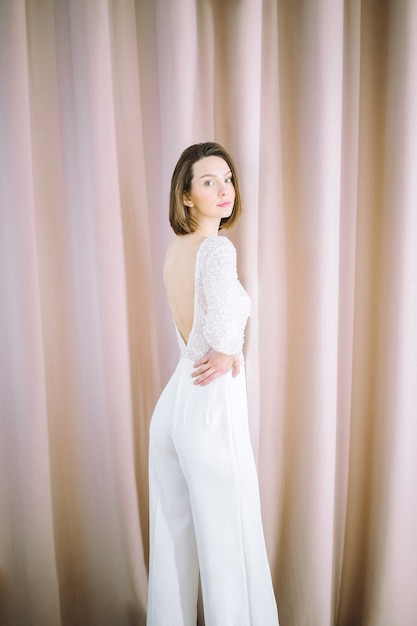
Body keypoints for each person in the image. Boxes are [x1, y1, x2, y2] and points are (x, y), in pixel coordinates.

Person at [147, 142, 279, 625]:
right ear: (186, 196)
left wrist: (229, 346)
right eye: (209, 182)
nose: (224, 190)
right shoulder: (217, 248)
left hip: (176, 401)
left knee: (172, 536)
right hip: (210, 407)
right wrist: (232, 348)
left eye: (227, 179)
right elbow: (223, 332)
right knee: (229, 541)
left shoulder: (177, 249)